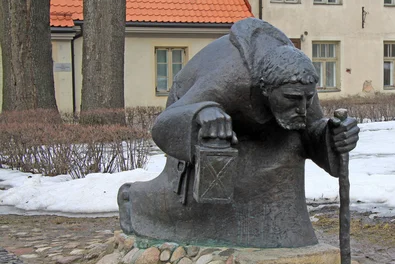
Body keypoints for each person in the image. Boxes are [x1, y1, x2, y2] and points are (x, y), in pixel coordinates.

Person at [118, 18, 359, 248]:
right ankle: (135, 201)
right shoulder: (229, 75)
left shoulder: (297, 79)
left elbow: (310, 131)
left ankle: (280, 234)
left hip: (264, 130)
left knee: (291, 139)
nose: (303, 107)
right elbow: (164, 124)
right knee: (212, 168)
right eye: (293, 99)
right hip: (200, 117)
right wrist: (202, 113)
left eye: (308, 99)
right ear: (265, 88)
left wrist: (333, 136)